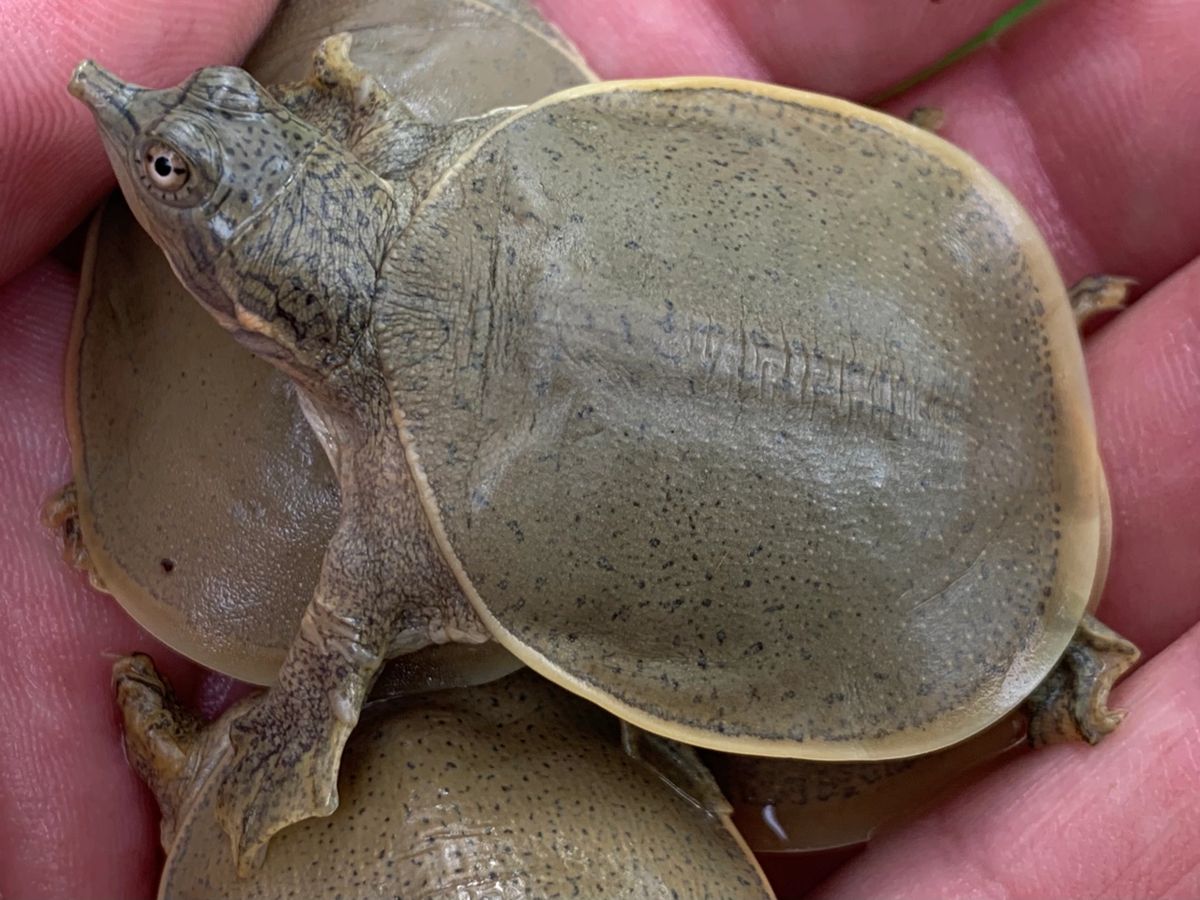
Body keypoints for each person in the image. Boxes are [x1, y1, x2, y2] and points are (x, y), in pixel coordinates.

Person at [1, 1, 1197, 897]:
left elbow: (318, 692)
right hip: (924, 348)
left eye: (169, 174)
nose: (121, 106)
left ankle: (1038, 651)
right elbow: (376, 107)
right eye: (170, 165)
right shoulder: (431, 157)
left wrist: (245, 759)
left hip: (918, 472)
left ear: (250, 303)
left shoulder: (395, 528)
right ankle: (1028, 572)